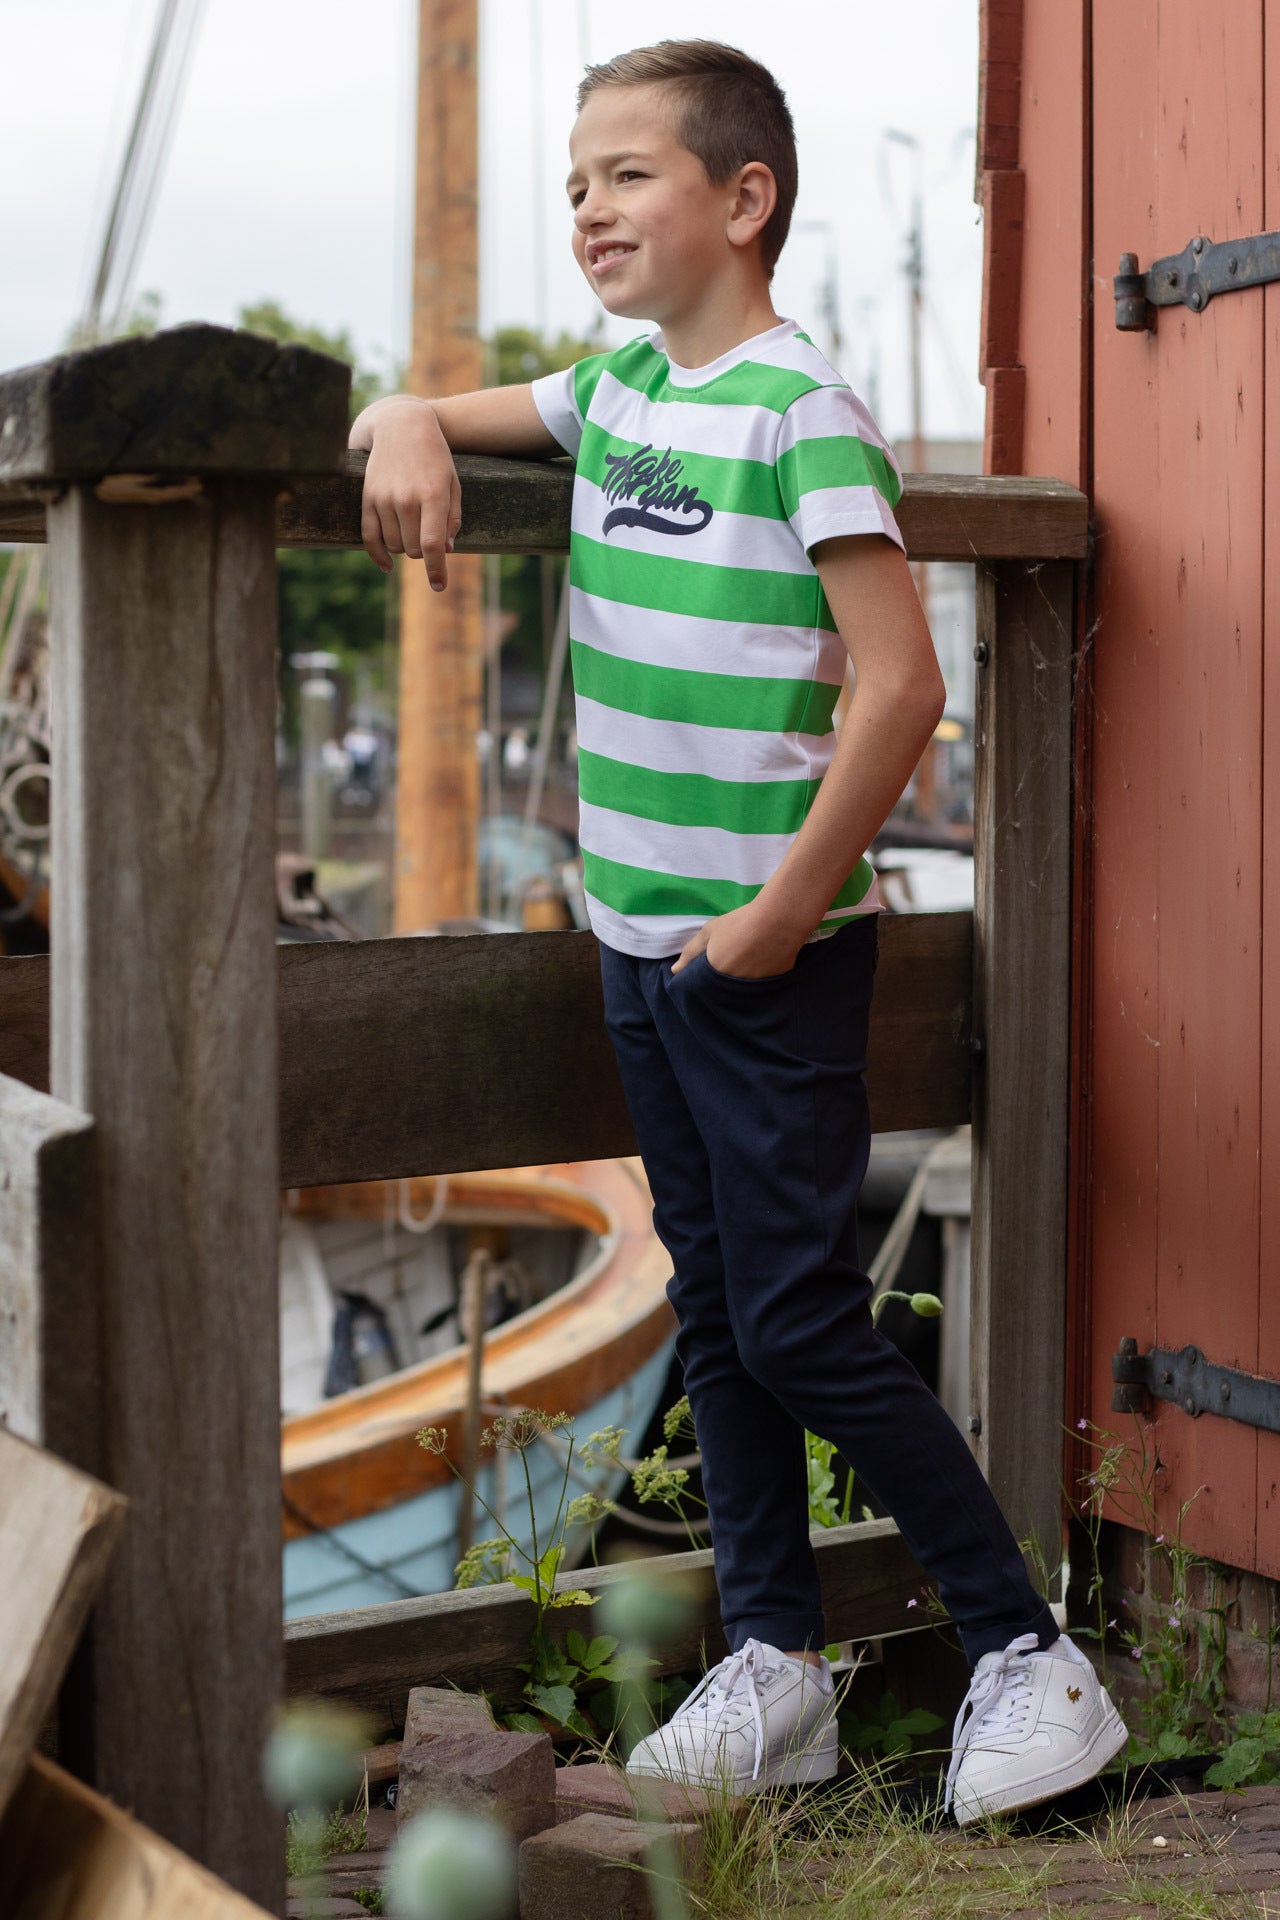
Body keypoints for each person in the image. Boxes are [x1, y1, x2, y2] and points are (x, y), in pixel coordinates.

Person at [350, 37, 1127, 1823]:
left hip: (767, 956)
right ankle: (777, 1666)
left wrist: (779, 914)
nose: (589, 209)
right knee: (715, 1309)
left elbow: (902, 683)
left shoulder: (800, 409)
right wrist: (400, 418)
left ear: (745, 197)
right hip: (636, 945)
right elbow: (447, 412)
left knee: (795, 1322)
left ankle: (1028, 1654)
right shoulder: (621, 388)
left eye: (627, 175)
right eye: (576, 184)